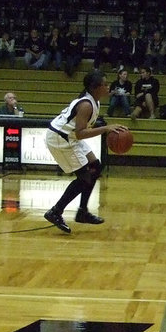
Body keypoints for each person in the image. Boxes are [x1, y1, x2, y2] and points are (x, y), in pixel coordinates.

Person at [43, 70, 127, 234]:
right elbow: (80, 133)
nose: (108, 86)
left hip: (70, 137)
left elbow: (79, 132)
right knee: (85, 177)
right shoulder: (86, 105)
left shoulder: (94, 101)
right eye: (105, 84)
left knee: (95, 166)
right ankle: (56, 211)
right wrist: (106, 128)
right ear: (95, 88)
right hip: (61, 138)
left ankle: (82, 211)